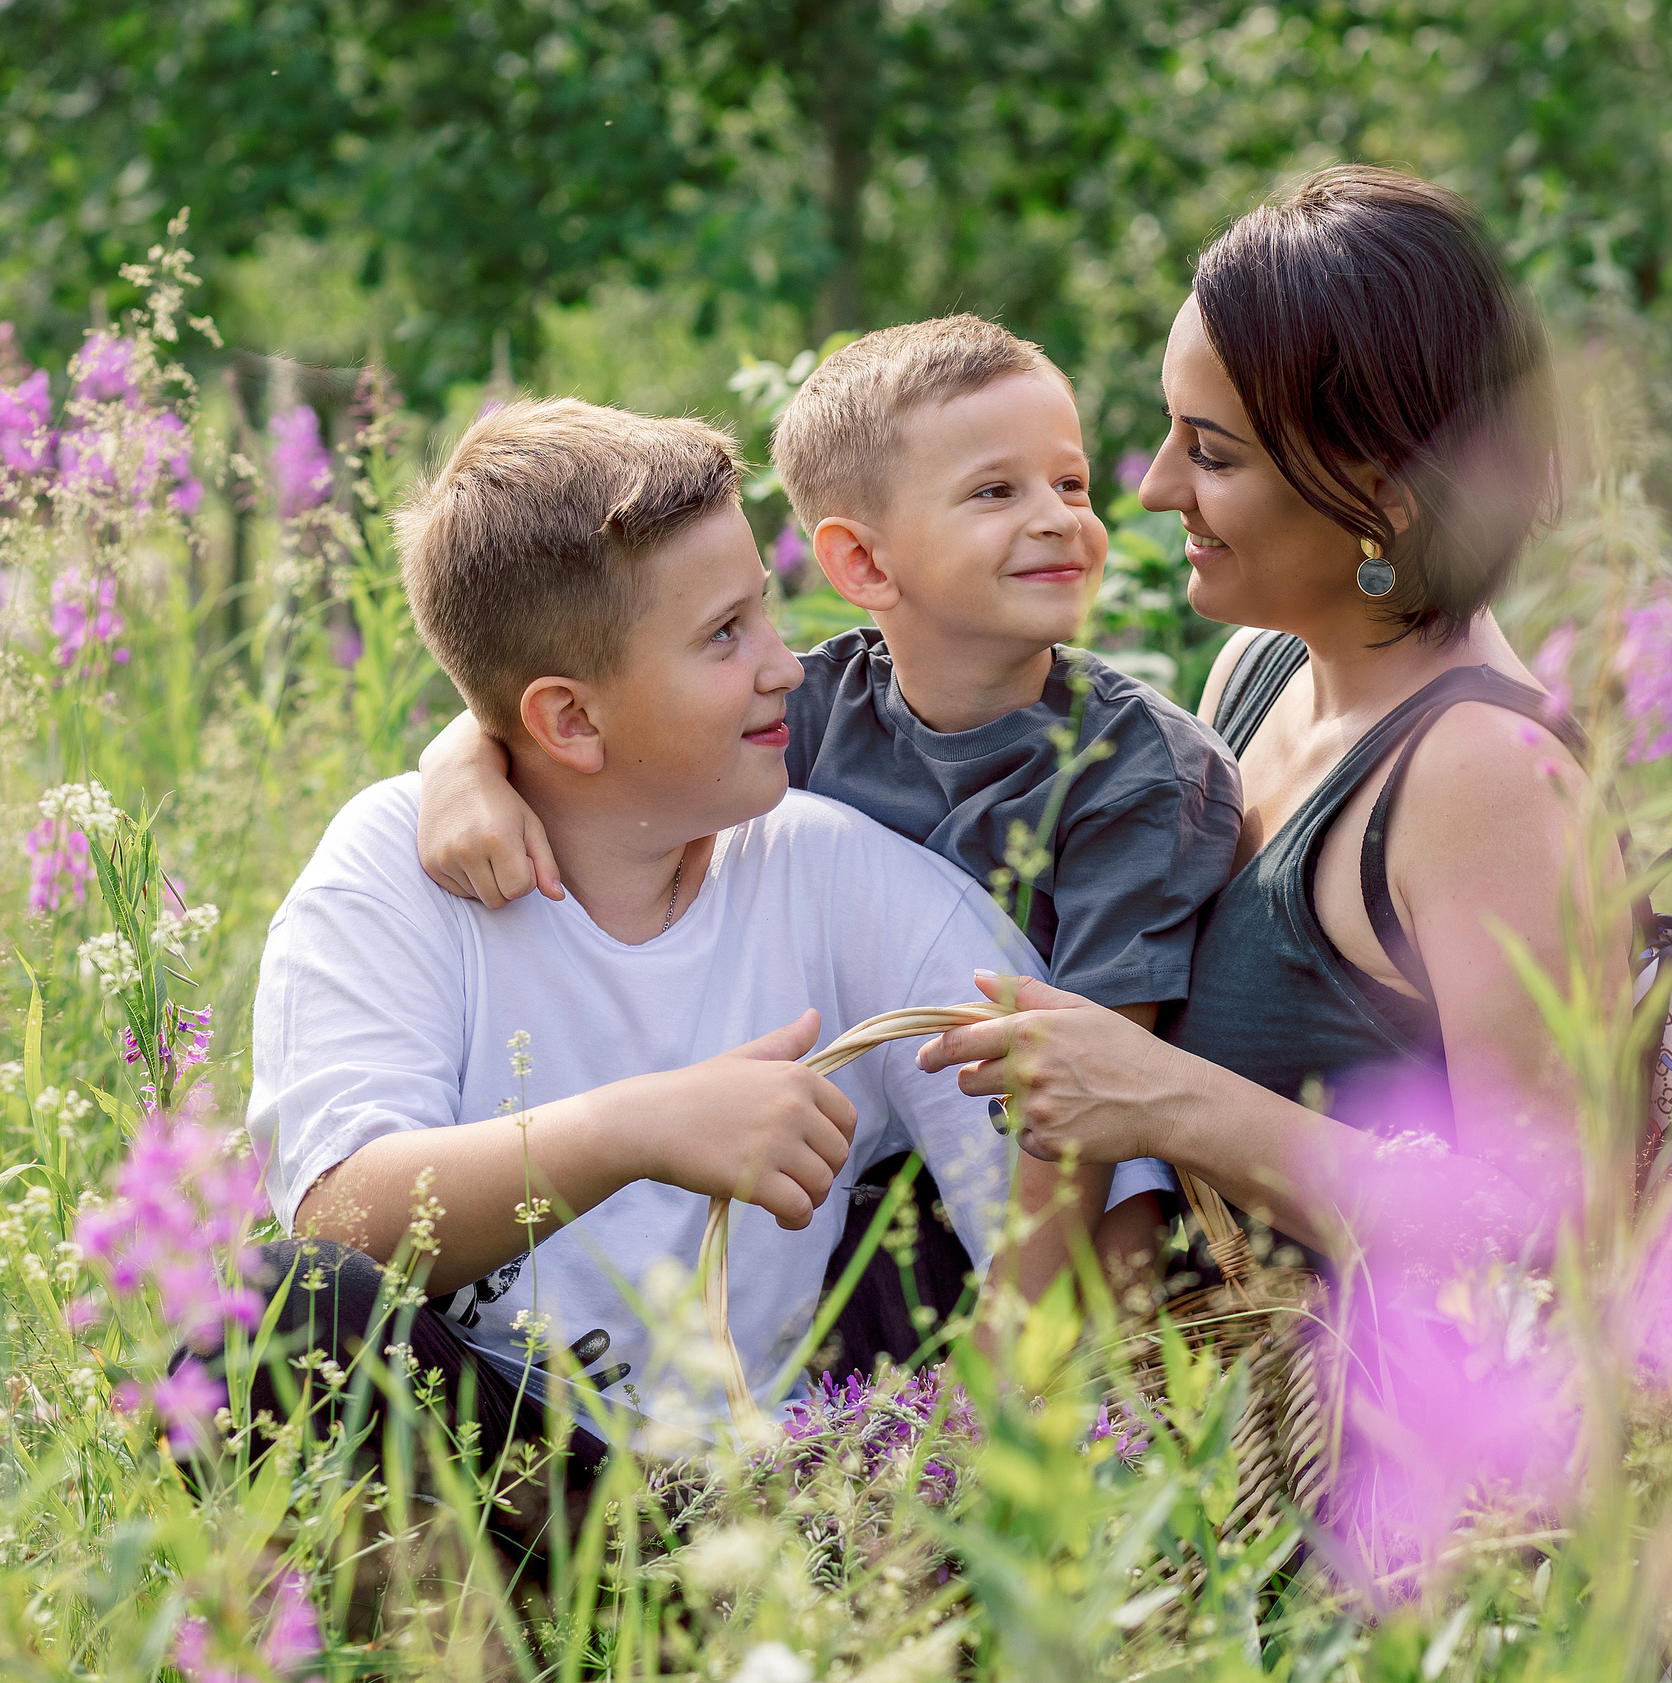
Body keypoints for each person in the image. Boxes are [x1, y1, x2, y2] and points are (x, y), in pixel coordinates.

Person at [225, 399, 1054, 1506]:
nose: (785, 669)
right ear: (568, 722)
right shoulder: (391, 867)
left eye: (765, 614)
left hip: (770, 1502)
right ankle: (467, 1666)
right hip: (497, 1489)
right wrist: (638, 1127)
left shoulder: (835, 873)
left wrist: (972, 1464)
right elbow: (340, 1222)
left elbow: (1071, 1164)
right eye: (724, 637)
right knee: (275, 1318)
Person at [413, 315, 1242, 1319]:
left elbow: (1096, 1092)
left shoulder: (1135, 776)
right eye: (996, 491)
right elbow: (600, 718)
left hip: (1073, 1188)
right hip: (863, 1182)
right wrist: (461, 760)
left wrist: (1017, 1353)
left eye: (1069, 484)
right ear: (862, 565)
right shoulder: (807, 711)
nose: (1060, 517)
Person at [914, 165, 1622, 1265]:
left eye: (1213, 453)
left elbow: (1559, 1248)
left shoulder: (1484, 777)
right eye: (1170, 432)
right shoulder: (1259, 669)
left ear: (1385, 493)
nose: (1150, 488)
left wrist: (1169, 1102)